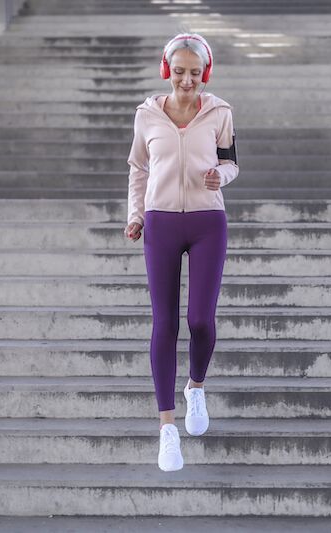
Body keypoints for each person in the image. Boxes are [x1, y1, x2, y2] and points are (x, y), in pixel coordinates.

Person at [123, 32, 239, 471]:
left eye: (195, 72)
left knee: (201, 321)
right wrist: (136, 214)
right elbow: (138, 167)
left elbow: (231, 161)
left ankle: (196, 387)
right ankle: (167, 429)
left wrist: (220, 177)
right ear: (166, 70)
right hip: (161, 222)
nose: (186, 80)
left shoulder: (220, 112)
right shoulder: (147, 116)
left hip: (208, 221)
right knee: (165, 324)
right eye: (179, 71)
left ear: (204, 73)